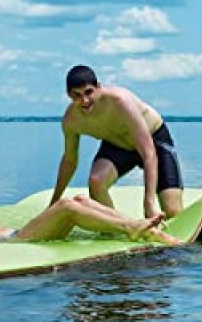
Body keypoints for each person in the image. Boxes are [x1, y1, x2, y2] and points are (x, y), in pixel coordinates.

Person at [0, 152, 180, 245]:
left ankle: (140, 228)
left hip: (15, 233)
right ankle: (131, 228)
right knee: (67, 206)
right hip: (13, 242)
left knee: (80, 198)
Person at [51, 65, 184, 219]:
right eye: (77, 95)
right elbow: (69, 160)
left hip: (154, 141)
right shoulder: (71, 120)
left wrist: (148, 204)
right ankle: (118, 226)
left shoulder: (121, 102)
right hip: (117, 145)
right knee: (96, 181)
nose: (85, 100)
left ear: (98, 88)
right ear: (69, 95)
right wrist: (54, 202)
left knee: (173, 212)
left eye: (88, 92)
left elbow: (148, 152)